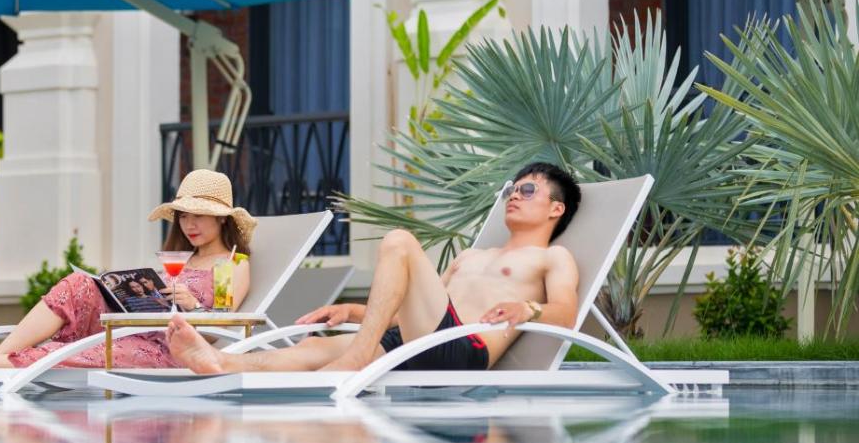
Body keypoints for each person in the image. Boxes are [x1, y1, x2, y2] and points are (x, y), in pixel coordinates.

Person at [167, 162, 581, 374]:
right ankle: (220, 363)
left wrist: (529, 309)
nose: (514, 196)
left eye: (527, 190)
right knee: (311, 350)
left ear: (556, 209)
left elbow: (567, 312)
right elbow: (410, 315)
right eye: (511, 190)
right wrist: (352, 311)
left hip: (464, 349)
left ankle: (357, 358)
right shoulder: (471, 256)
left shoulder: (553, 257)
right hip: (419, 339)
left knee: (399, 241)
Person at [0, 169, 255, 368]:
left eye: (200, 216)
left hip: (169, 349)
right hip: (132, 329)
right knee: (79, 283)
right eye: (184, 216)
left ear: (222, 219)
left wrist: (193, 306)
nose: (189, 224)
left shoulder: (233, 264)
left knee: (77, 351)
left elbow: (221, 331)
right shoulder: (182, 259)